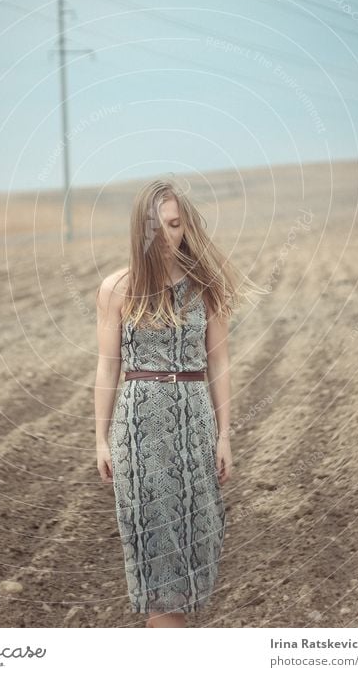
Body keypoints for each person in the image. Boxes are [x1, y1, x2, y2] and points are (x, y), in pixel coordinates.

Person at [94, 178, 262, 627]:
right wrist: (100, 439)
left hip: (194, 424)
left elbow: (220, 363)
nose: (166, 235)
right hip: (138, 430)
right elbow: (108, 368)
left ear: (185, 225)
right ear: (140, 228)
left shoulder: (205, 288)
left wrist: (225, 436)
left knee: (197, 552)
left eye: (174, 224)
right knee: (159, 569)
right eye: (156, 225)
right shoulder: (116, 289)